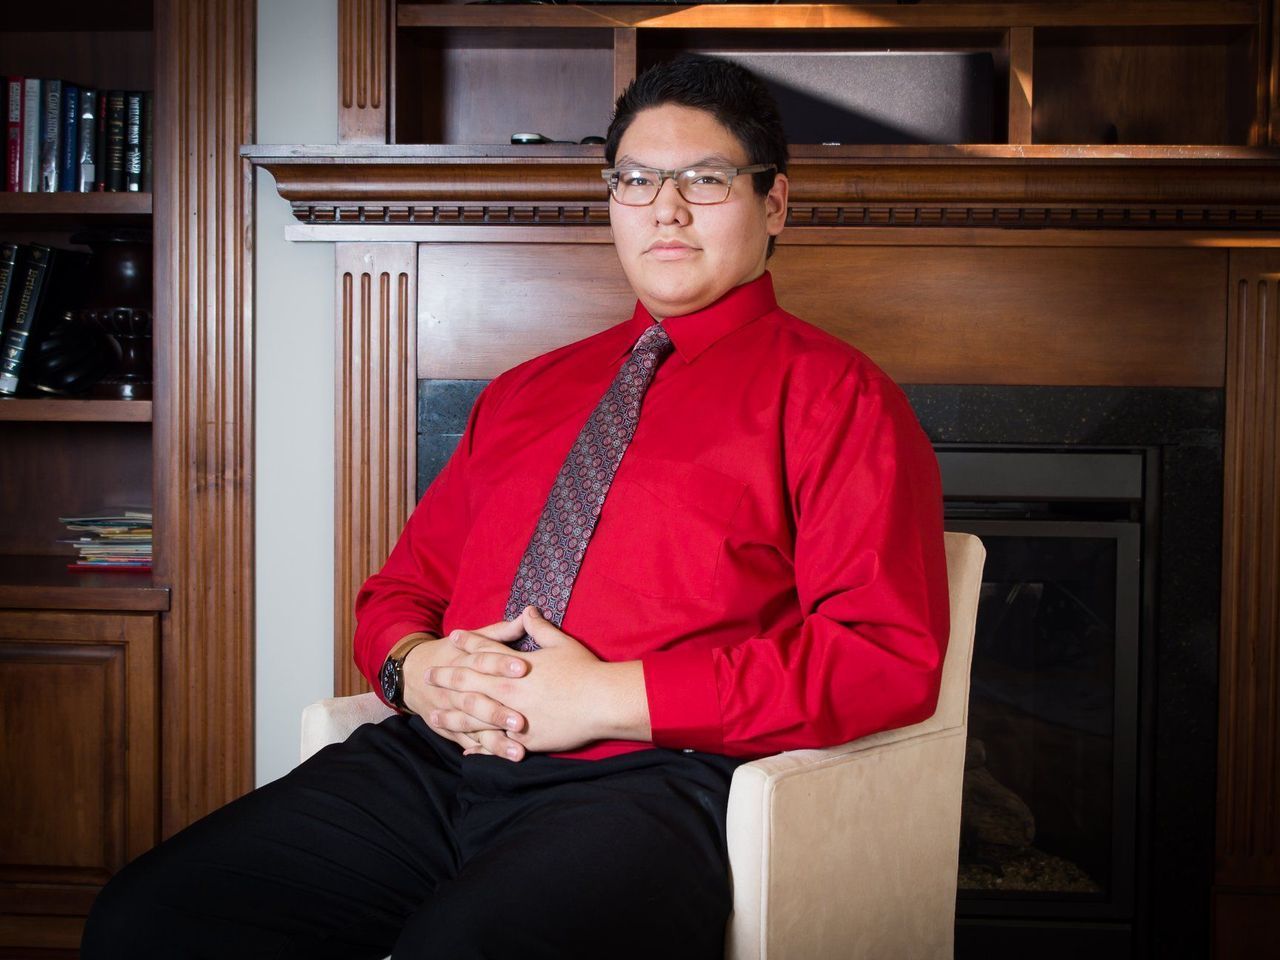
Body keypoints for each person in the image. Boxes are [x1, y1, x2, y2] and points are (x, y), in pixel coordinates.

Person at [81, 55, 948, 960]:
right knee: (147, 920)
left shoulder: (838, 398)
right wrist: (414, 672)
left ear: (773, 205)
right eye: (638, 179)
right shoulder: (526, 391)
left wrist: (613, 696)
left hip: (644, 785)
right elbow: (399, 593)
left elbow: (883, 660)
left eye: (707, 178)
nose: (667, 208)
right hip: (428, 765)